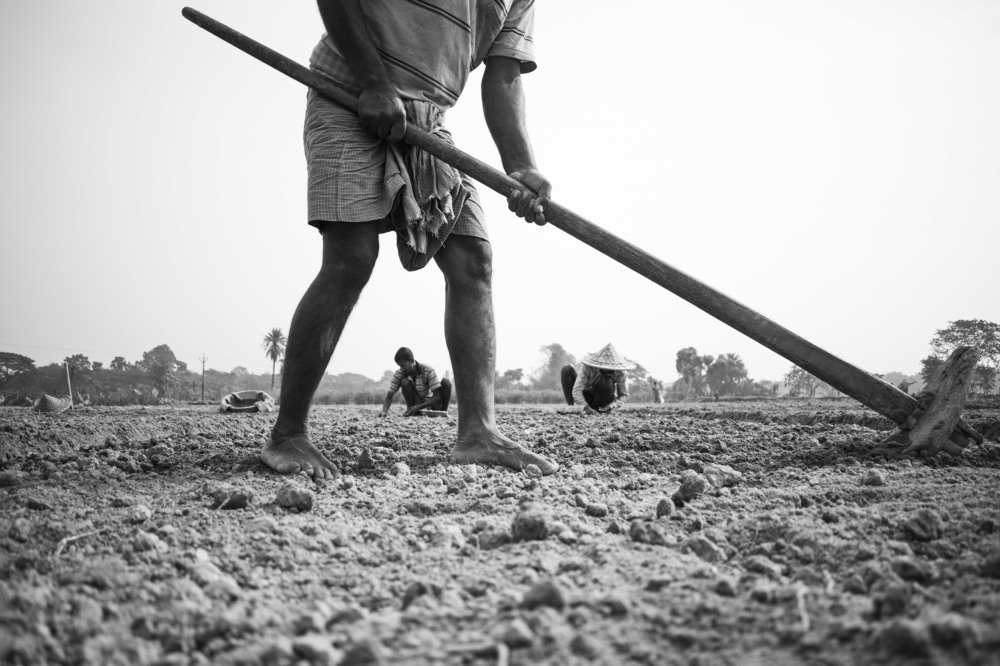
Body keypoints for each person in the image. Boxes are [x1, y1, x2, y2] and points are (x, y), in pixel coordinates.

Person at [261, 0, 559, 481]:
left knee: (472, 257)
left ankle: (478, 432)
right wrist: (375, 81)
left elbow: (503, 71)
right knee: (351, 257)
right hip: (348, 89)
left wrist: (520, 165)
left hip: (429, 118)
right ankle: (288, 433)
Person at [561, 343, 634, 415]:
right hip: (586, 394)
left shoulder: (621, 373)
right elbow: (577, 389)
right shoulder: (587, 367)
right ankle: (571, 407)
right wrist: (585, 406)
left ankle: (602, 410)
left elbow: (623, 395)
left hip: (603, 397)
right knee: (567, 369)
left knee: (606, 380)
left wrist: (612, 405)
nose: (607, 370)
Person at [380, 347, 452, 416]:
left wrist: (418, 407)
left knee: (446, 382)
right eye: (400, 366)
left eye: (403, 365)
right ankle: (413, 411)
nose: (401, 369)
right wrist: (384, 411)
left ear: (411, 360)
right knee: (405, 381)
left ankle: (443, 412)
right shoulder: (399, 374)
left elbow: (437, 396)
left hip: (427, 402)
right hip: (414, 404)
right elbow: (390, 395)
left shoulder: (428, 370)